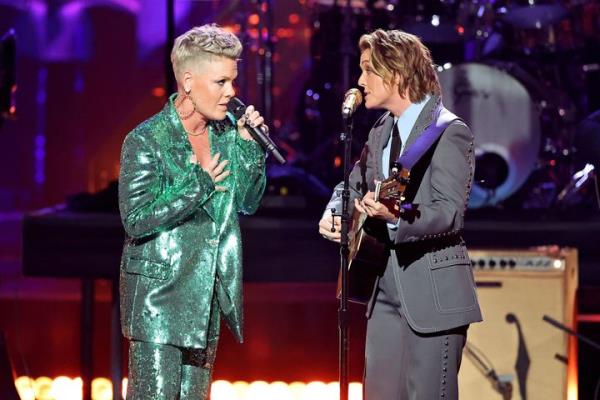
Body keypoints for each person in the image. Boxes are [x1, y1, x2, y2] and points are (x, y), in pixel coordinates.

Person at [319, 29, 482, 399]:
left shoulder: (449, 132)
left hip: (432, 293)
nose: (360, 82)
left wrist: (397, 217)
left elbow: (449, 213)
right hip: (383, 289)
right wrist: (335, 212)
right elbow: (352, 184)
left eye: (367, 70)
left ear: (394, 72)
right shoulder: (381, 131)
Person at [118, 24, 266, 399]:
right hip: (158, 301)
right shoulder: (146, 139)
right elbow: (135, 219)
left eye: (232, 81)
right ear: (188, 81)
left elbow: (248, 202)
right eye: (220, 82)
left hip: (203, 301)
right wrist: (196, 186)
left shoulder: (226, 134)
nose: (231, 92)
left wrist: (249, 148)